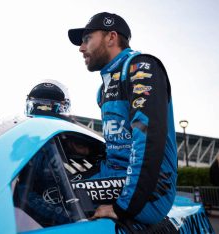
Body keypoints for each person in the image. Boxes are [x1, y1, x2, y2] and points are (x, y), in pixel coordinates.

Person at [68, 12, 178, 224]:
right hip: (115, 175)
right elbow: (121, 139)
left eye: (87, 39)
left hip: (151, 191)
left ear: (111, 37)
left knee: (56, 196)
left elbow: (145, 138)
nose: (81, 48)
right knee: (43, 183)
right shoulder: (104, 89)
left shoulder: (140, 67)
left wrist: (123, 207)